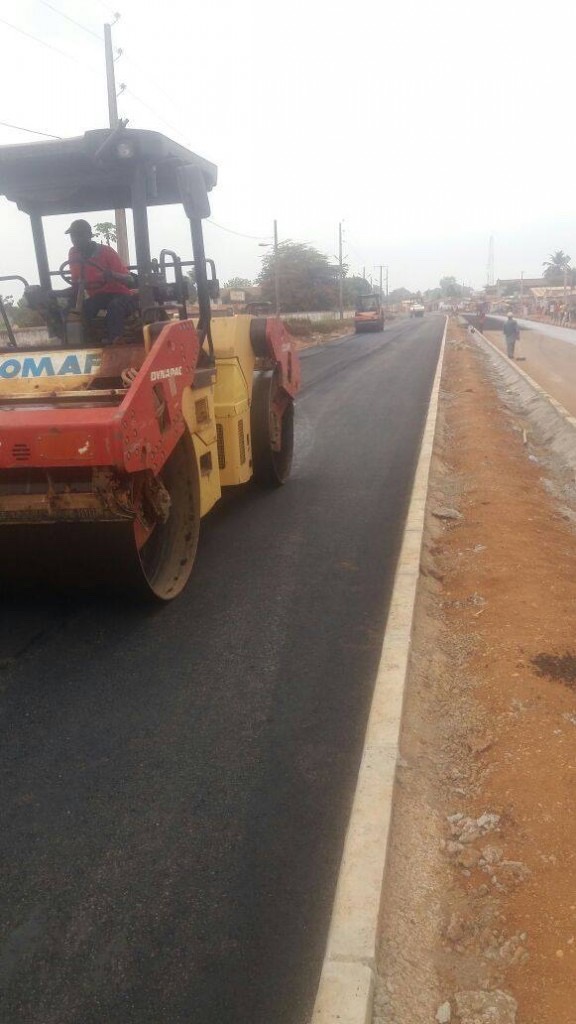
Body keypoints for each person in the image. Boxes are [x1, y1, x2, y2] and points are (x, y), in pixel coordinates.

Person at [66, 219, 135, 344]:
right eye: (73, 235)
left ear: (89, 235)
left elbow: (129, 279)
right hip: (98, 296)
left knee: (115, 306)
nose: (75, 239)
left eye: (79, 235)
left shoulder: (107, 252)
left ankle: (115, 340)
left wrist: (112, 275)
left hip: (120, 294)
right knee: (80, 310)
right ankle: (83, 341)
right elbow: (77, 282)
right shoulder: (73, 253)